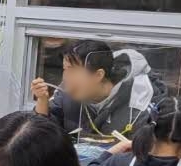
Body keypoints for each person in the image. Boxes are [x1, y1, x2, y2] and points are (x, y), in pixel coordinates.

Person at [33, 39, 163, 138]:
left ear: (98, 75)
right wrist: (42, 101)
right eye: (64, 69)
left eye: (72, 70)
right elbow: (41, 135)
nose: (65, 77)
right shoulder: (66, 91)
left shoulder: (138, 102)